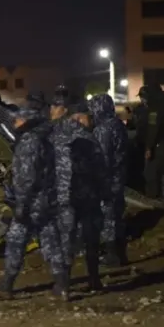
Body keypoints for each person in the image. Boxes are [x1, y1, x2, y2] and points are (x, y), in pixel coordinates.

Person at [0, 106, 65, 299]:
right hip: (46, 201)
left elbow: (27, 177)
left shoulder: (29, 141)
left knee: (15, 241)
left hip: (30, 203)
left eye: (18, 120)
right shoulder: (47, 138)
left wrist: (21, 204)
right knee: (51, 242)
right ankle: (63, 285)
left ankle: (6, 285)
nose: (15, 123)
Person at [49, 96, 105, 291]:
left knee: (66, 239)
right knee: (91, 238)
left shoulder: (55, 136)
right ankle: (94, 279)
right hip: (89, 196)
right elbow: (101, 170)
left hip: (64, 197)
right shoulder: (90, 138)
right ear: (80, 118)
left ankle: (63, 286)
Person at [89, 94, 129, 266]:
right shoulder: (118, 124)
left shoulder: (103, 129)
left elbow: (102, 157)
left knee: (108, 217)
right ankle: (120, 253)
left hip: (107, 179)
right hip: (118, 176)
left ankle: (112, 255)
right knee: (116, 216)